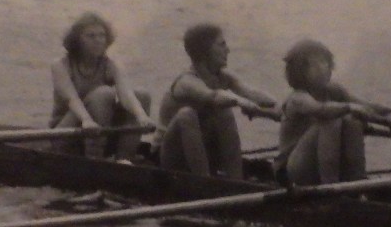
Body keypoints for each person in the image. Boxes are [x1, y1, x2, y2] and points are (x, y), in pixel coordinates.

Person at [157, 23, 277, 179]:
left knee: (224, 111)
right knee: (187, 114)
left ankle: (236, 181)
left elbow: (251, 93)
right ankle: (205, 183)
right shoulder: (186, 81)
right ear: (204, 51)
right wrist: (240, 102)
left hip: (200, 150)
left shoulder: (223, 76)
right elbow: (214, 96)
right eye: (222, 45)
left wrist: (284, 108)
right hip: (169, 157)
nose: (228, 50)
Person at [275, 39, 391, 186]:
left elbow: (364, 106)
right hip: (293, 171)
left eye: (326, 62)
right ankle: (331, 187)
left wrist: (390, 116)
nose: (325, 67)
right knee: (331, 121)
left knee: (351, 121)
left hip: (320, 165)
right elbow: (320, 110)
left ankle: (357, 182)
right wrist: (348, 107)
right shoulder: (297, 98)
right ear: (300, 70)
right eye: (317, 64)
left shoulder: (334, 90)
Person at [50, 12, 151, 161]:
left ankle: (125, 159)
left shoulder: (112, 65)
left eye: (102, 35)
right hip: (66, 132)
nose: (98, 41)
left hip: (100, 130)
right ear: (77, 40)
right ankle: (94, 159)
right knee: (103, 94)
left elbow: (126, 95)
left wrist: (141, 115)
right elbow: (71, 99)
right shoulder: (60, 65)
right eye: (91, 36)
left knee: (141, 95)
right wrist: (86, 120)